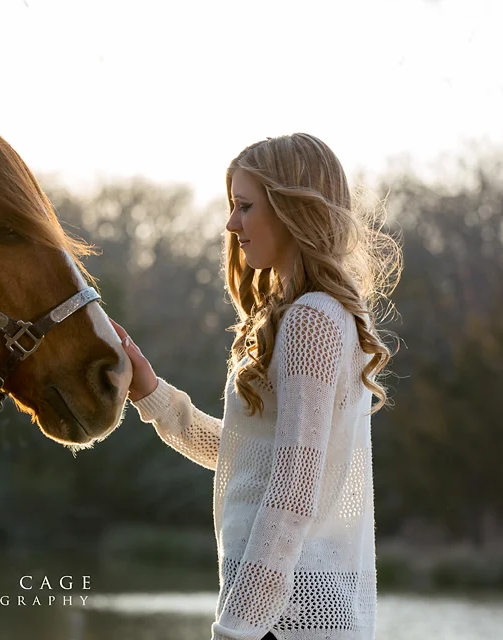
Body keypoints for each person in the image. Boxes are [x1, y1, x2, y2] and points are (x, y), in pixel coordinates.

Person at [110, 133, 402, 640]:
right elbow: (250, 458)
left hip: (283, 615)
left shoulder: (311, 319)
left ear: (293, 210)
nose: (231, 224)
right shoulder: (312, 315)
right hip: (281, 607)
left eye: (245, 206)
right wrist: (152, 394)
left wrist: (236, 630)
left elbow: (292, 490)